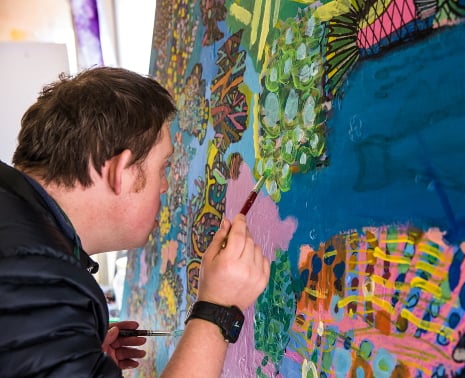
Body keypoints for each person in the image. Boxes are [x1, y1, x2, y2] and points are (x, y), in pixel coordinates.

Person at [0, 66, 270, 377]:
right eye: (163, 167)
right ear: (122, 172)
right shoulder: (36, 284)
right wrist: (218, 308)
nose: (165, 186)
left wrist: (78, 358)